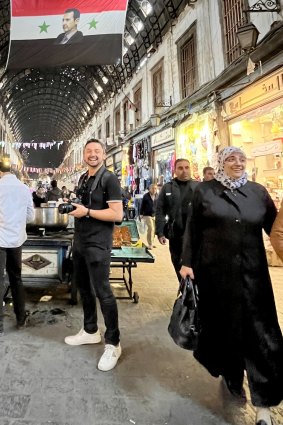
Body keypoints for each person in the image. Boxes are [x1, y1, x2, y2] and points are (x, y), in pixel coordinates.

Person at [180, 146, 283, 425]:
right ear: (220, 163)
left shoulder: (258, 192)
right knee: (224, 330)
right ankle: (232, 376)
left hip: (254, 277)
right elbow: (192, 229)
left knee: (262, 337)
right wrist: (187, 263)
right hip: (215, 275)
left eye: (241, 159)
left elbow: (276, 230)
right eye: (230, 159)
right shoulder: (205, 191)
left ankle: (264, 405)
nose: (237, 163)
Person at [64, 139, 123, 372]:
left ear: (104, 155)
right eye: (89, 151)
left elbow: (117, 214)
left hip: (98, 243)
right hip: (80, 241)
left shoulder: (109, 179)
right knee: (84, 289)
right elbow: (84, 205)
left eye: (97, 151)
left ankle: (113, 343)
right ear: (84, 155)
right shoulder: (83, 177)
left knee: (103, 292)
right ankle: (90, 330)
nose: (92, 154)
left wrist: (87, 211)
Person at [0, 160, 35, 335]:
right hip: (16, 240)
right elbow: (30, 217)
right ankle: (21, 319)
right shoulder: (23, 188)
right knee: (16, 278)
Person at [155, 159, 199, 281]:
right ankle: (185, 292)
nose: (184, 171)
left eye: (186, 167)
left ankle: (192, 295)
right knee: (178, 264)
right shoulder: (167, 188)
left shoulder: (198, 187)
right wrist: (160, 232)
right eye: (180, 168)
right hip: (176, 235)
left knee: (194, 266)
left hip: (195, 236)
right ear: (175, 170)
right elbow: (160, 211)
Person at [140, 184, 158, 249]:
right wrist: (141, 214)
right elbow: (142, 205)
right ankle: (150, 244)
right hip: (147, 215)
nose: (154, 190)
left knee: (154, 229)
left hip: (154, 215)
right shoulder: (146, 196)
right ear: (149, 189)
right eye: (152, 188)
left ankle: (152, 243)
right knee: (151, 228)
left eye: (155, 188)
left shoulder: (157, 196)